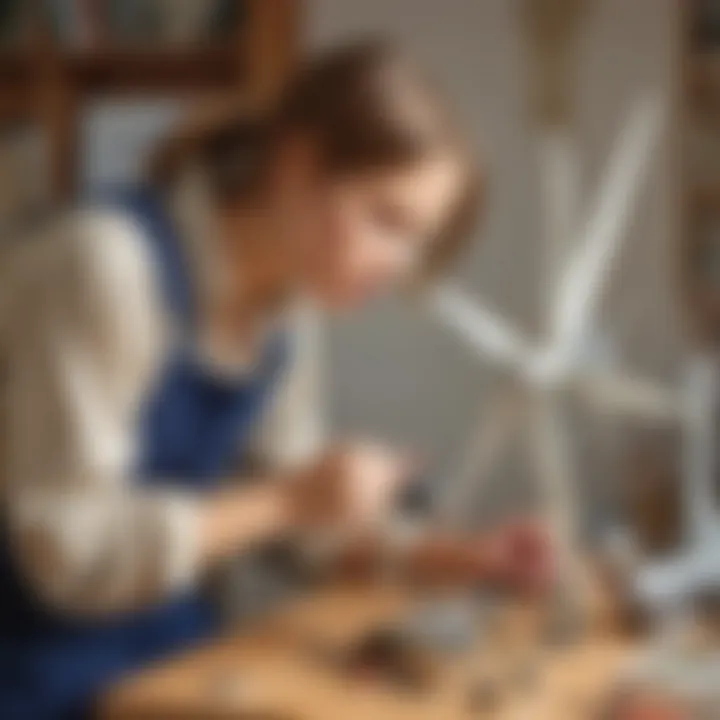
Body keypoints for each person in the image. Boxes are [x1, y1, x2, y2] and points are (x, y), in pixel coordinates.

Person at [0, 41, 553, 719]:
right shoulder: (106, 268)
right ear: (297, 164)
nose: (399, 267)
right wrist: (291, 498)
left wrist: (454, 557)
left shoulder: (289, 312)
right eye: (386, 219)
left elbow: (302, 538)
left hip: (162, 653)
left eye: (418, 241)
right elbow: (68, 553)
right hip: (28, 665)